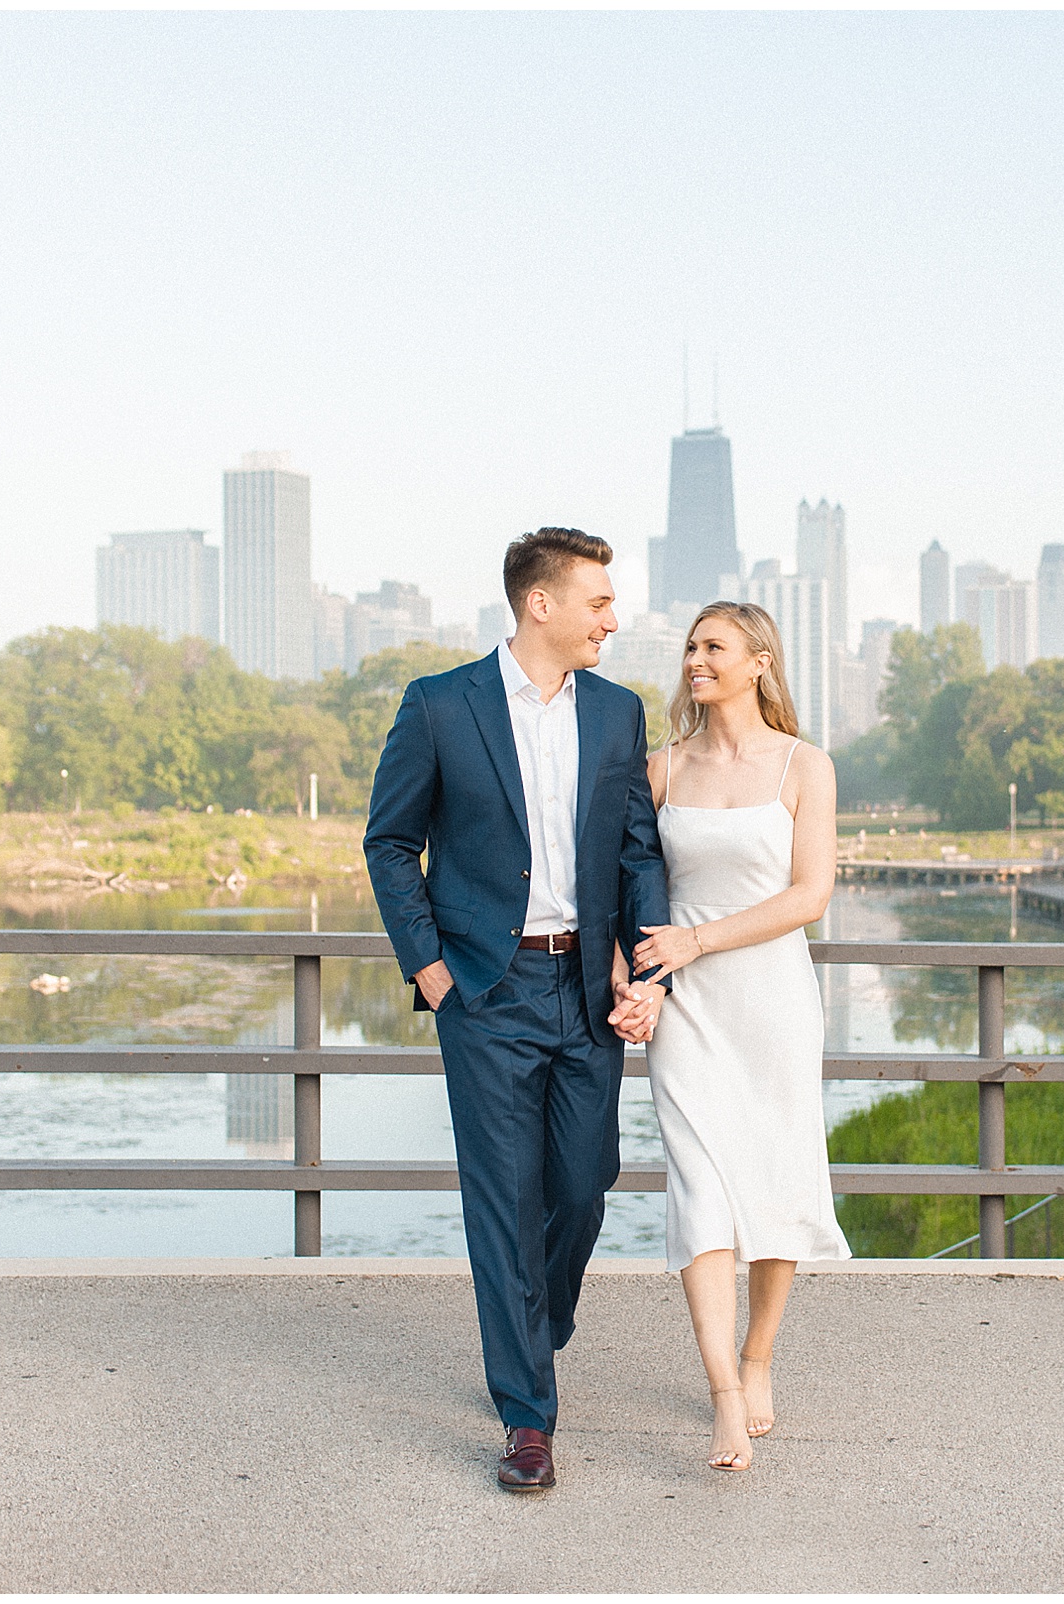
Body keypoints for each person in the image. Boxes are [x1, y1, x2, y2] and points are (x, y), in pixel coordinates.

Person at [362, 528, 671, 1494]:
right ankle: (527, 1418)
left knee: (583, 1183)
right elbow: (389, 843)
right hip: (484, 993)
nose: (611, 619)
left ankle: (536, 1322)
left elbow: (635, 851)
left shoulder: (619, 715)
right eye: (598, 601)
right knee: (503, 1203)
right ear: (541, 603)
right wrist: (431, 969)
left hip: (584, 988)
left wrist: (649, 968)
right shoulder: (440, 705)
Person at [622, 602, 850, 1474]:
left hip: (773, 1002)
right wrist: (636, 972)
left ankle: (759, 1356)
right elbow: (626, 881)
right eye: (689, 646)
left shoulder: (806, 767)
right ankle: (722, 1391)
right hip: (686, 1010)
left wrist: (698, 938)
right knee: (701, 1190)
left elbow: (809, 897)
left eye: (712, 646)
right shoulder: (661, 769)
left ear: (759, 661)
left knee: (778, 1178)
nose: (693, 659)